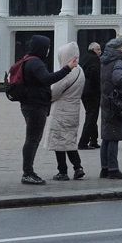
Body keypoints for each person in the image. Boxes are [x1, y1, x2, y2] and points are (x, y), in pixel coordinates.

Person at [20, 35, 78, 185]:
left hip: (29, 104)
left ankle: (28, 171)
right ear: (41, 48)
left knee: (32, 139)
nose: (48, 50)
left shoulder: (28, 60)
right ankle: (28, 173)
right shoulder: (36, 63)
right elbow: (47, 79)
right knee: (32, 140)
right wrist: (67, 69)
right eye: (47, 47)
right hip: (35, 106)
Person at [47, 42, 86, 181]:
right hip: (74, 110)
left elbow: (54, 92)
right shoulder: (80, 70)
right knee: (69, 141)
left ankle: (62, 171)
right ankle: (78, 167)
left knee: (59, 142)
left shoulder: (68, 72)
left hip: (62, 111)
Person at [99, 35, 122, 179]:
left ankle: (105, 169)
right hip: (116, 104)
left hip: (106, 102)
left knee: (106, 138)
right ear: (118, 49)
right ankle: (113, 170)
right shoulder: (118, 62)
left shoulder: (104, 61)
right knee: (113, 137)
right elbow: (118, 79)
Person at [78, 42, 102, 150]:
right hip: (92, 92)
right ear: (93, 49)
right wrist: (99, 87)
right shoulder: (94, 59)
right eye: (98, 49)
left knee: (91, 115)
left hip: (83, 91)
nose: (100, 52)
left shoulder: (83, 57)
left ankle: (93, 140)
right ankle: (83, 142)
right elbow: (95, 75)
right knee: (91, 116)